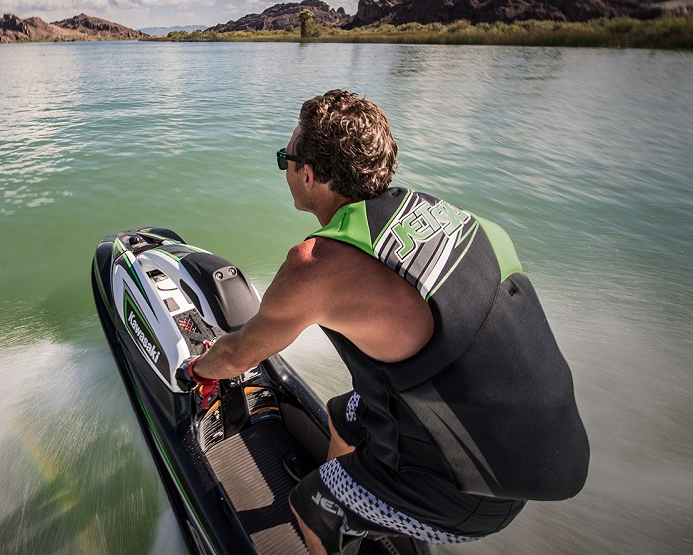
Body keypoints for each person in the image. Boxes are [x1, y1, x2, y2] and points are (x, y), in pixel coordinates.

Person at [182, 90, 589, 554]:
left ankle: (331, 513)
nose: (286, 169)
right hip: (538, 456)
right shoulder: (454, 219)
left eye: (285, 159)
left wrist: (195, 371)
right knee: (342, 415)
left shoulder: (317, 264)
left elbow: (238, 355)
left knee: (308, 507)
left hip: (468, 490)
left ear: (308, 174)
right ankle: (356, 500)